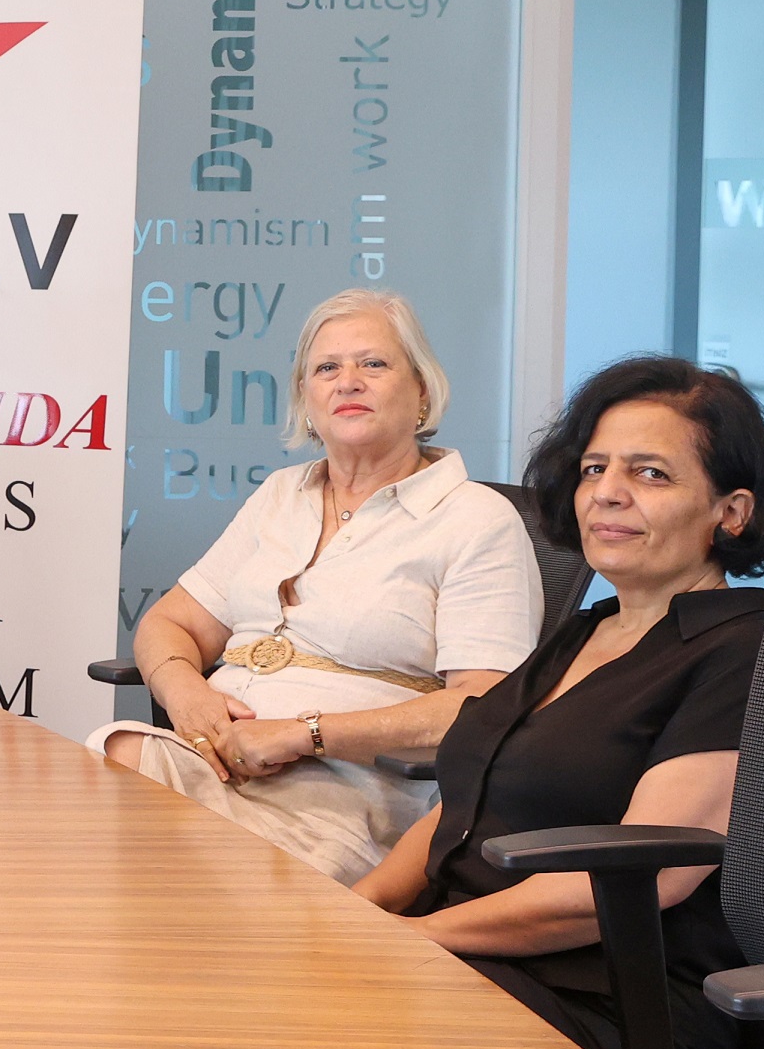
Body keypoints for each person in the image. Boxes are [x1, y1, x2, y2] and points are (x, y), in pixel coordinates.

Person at [356, 357, 764, 1049]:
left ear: (730, 511)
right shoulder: (586, 630)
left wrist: (411, 938)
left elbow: (649, 874)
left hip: (609, 1008)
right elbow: (463, 808)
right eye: (596, 467)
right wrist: (353, 911)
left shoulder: (744, 650)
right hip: (465, 959)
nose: (608, 491)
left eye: (650, 473)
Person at [99, 289, 541, 883]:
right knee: (114, 760)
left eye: (374, 363)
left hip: (346, 799)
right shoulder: (281, 494)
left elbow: (482, 702)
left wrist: (306, 735)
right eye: (327, 368)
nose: (347, 381)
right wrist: (186, 695)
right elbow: (169, 623)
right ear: (305, 398)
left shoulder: (475, 518)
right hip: (211, 765)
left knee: (149, 865)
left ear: (422, 392)